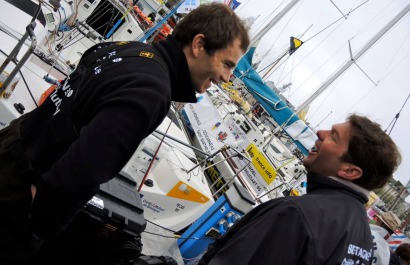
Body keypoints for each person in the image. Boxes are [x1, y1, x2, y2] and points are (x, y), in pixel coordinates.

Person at [0, 3, 249, 263]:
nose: (228, 77)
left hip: (13, 146)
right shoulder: (151, 90)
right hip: (16, 197)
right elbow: (84, 168)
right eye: (227, 64)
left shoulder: (129, 50)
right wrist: (42, 225)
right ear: (199, 45)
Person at [199, 114, 401, 264]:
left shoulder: (295, 215)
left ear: (349, 171)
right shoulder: (364, 241)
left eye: (334, 137)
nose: (320, 133)